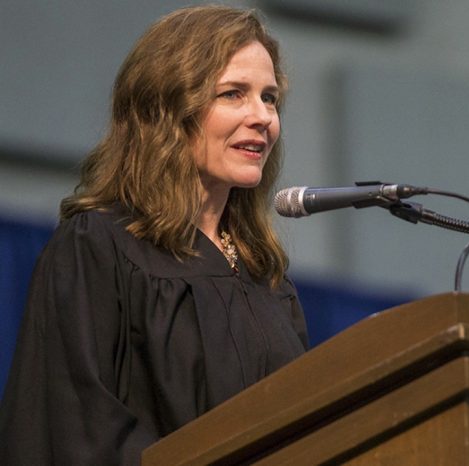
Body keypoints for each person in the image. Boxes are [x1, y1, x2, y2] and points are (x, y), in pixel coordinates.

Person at [0, 6, 309, 465]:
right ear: (167, 109)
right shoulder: (98, 247)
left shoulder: (267, 280)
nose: (262, 116)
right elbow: (75, 428)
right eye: (233, 94)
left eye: (269, 98)